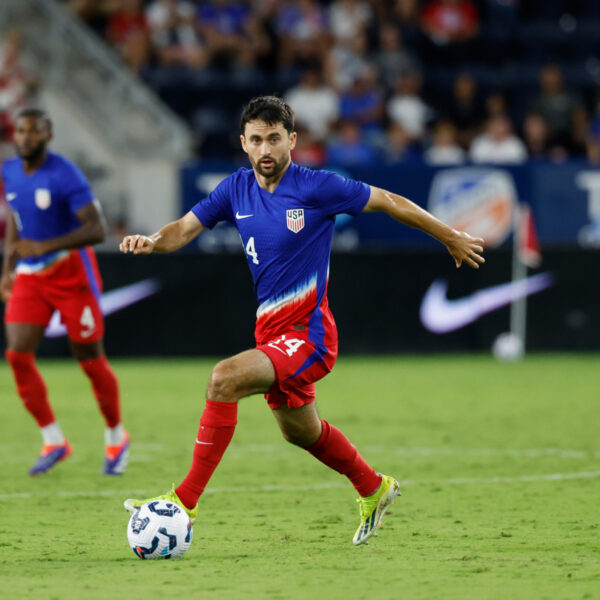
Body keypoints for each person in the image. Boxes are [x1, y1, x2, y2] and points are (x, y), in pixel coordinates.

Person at [120, 96, 484, 545]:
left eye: (274, 138)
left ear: (292, 140)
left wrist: (449, 236)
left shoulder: (317, 187)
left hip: (309, 336)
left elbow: (389, 201)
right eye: (256, 140)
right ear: (244, 144)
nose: (265, 149)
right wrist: (150, 240)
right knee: (302, 433)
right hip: (270, 334)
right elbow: (183, 229)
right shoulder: (235, 190)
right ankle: (375, 487)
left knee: (224, 379)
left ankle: (183, 501)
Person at [0, 108, 129, 476]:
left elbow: (97, 229)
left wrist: (46, 246)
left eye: (33, 131)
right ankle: (54, 439)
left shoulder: (64, 173)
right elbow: (16, 218)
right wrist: (8, 270)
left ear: (47, 136)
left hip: (73, 274)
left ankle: (116, 436)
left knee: (89, 358)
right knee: (17, 355)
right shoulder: (9, 171)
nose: (25, 137)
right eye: (21, 131)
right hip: (30, 275)